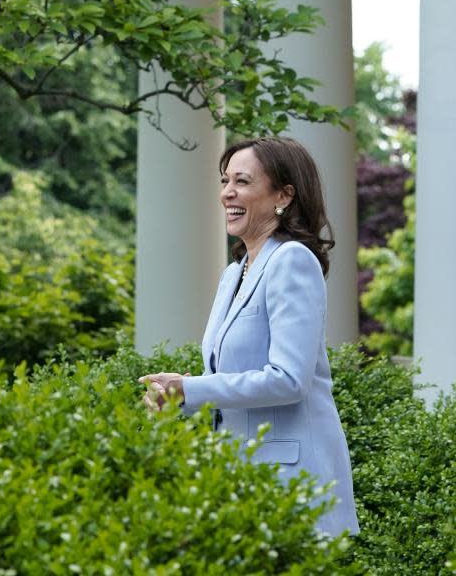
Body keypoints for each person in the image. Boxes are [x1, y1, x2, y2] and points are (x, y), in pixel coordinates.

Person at [138, 137, 359, 536]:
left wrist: (192, 388)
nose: (227, 193)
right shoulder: (234, 272)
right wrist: (181, 397)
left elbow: (290, 380)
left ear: (283, 195)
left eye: (242, 181)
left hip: (293, 485)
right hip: (240, 481)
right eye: (225, 181)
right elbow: (233, 382)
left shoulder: (292, 260)